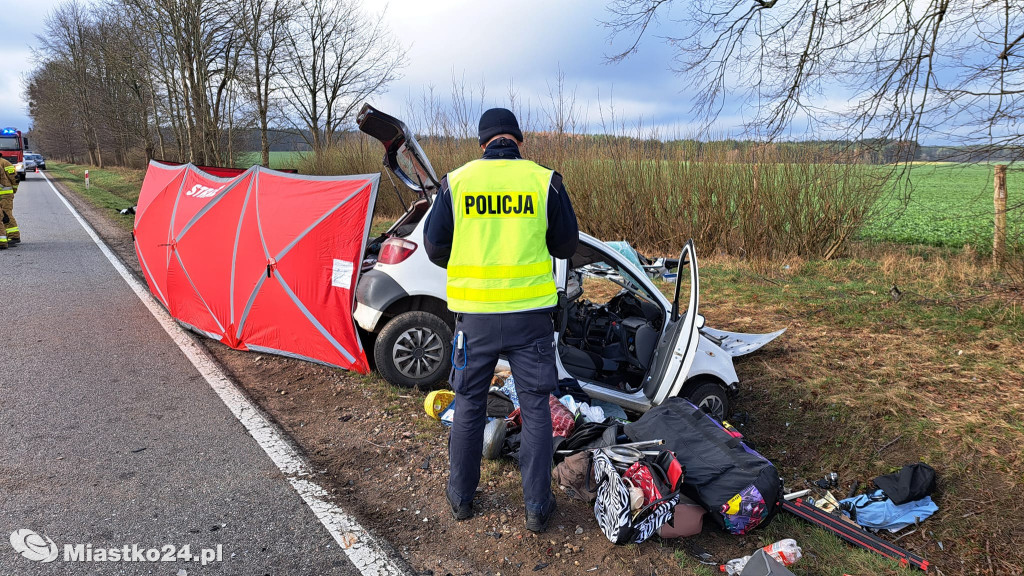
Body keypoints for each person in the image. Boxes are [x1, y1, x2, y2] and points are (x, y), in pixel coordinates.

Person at [423, 108, 579, 533]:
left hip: (474, 319)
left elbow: (435, 248)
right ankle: (537, 508)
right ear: (518, 141)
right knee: (535, 407)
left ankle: (461, 500)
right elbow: (566, 245)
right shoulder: (543, 180)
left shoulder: (457, 182)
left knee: (470, 403)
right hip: (530, 318)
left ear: (482, 143)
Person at [0, 157, 19, 249]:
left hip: (5, 194)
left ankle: (14, 236)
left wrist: (14, 189)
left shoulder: (5, 163)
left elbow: (14, 178)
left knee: (6, 214)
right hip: (4, 193)